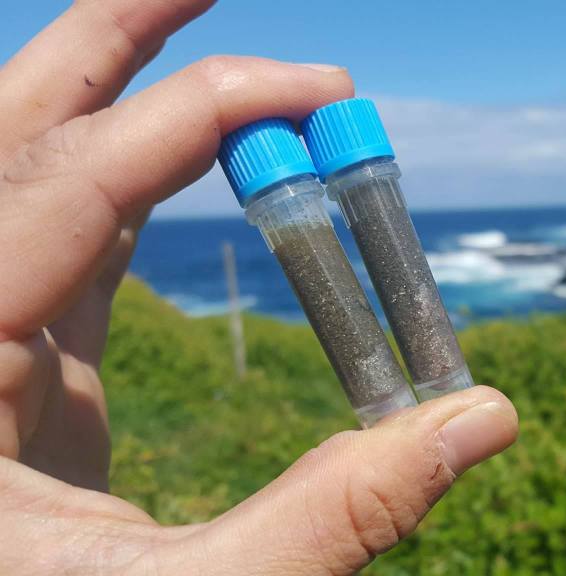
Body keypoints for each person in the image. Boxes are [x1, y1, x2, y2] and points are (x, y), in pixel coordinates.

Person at [0, 1, 519, 573]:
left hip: (318, 219)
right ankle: (429, 384)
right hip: (378, 375)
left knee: (408, 366)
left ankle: (431, 384)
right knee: (405, 359)